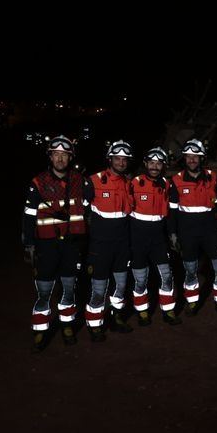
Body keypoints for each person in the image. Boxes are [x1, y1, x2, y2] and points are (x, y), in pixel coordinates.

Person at [22, 135, 90, 353]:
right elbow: (28, 216)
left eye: (64, 155)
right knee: (44, 291)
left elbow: (89, 211)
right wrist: (28, 244)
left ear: (71, 158)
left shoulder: (80, 181)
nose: (60, 159)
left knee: (69, 288)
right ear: (50, 157)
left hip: (71, 244)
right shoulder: (38, 182)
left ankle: (67, 326)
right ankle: (40, 331)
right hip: (46, 244)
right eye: (56, 154)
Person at [167, 139, 217, 317]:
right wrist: (172, 233)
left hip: (210, 231)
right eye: (189, 156)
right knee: (190, 270)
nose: (192, 160)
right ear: (184, 158)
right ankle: (192, 302)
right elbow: (172, 212)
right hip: (187, 233)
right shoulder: (176, 181)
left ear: (202, 158)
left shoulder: (212, 177)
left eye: (195, 156)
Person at [83, 139, 135, 342]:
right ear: (110, 159)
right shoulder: (94, 181)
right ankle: (94, 324)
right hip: (100, 245)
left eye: (125, 159)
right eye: (117, 158)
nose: (121, 162)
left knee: (120, 285)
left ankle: (116, 318)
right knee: (99, 288)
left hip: (122, 244)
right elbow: (80, 211)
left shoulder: (128, 183)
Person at [129, 146, 182, 326]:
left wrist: (172, 235)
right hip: (138, 238)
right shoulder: (133, 183)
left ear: (164, 166)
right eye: (151, 163)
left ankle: (168, 310)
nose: (155, 167)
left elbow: (171, 214)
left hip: (158, 239)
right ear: (145, 164)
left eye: (159, 163)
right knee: (141, 278)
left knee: (166, 275)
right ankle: (142, 311)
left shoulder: (167, 185)